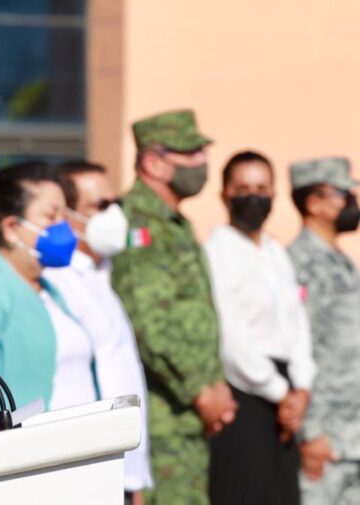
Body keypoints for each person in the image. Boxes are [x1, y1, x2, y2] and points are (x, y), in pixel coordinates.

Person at [111, 109, 237, 505]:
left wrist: (215, 384)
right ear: (153, 163)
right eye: (191, 154)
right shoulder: (138, 224)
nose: (202, 163)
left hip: (189, 415)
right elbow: (150, 322)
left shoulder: (173, 222)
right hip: (164, 414)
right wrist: (200, 389)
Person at [204, 151, 315, 505]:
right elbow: (231, 335)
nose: (253, 197)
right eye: (243, 189)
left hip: (287, 396)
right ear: (225, 194)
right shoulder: (217, 252)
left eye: (262, 189)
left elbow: (296, 322)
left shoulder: (274, 252)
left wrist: (302, 387)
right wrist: (279, 392)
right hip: (246, 394)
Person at [0, 161, 98, 428]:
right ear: (11, 228)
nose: (63, 227)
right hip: (27, 445)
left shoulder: (49, 287)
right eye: (51, 216)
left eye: (64, 216)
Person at [45, 160, 153, 505]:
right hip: (87, 470)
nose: (114, 215)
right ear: (67, 216)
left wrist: (134, 475)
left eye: (115, 203)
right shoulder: (55, 283)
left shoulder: (101, 275)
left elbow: (123, 377)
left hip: (121, 468)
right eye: (100, 206)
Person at [287, 157, 360, 505]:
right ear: (314, 203)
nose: (352, 203)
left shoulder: (341, 263)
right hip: (324, 443)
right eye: (344, 194)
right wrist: (311, 432)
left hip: (350, 439)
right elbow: (295, 350)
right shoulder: (300, 263)